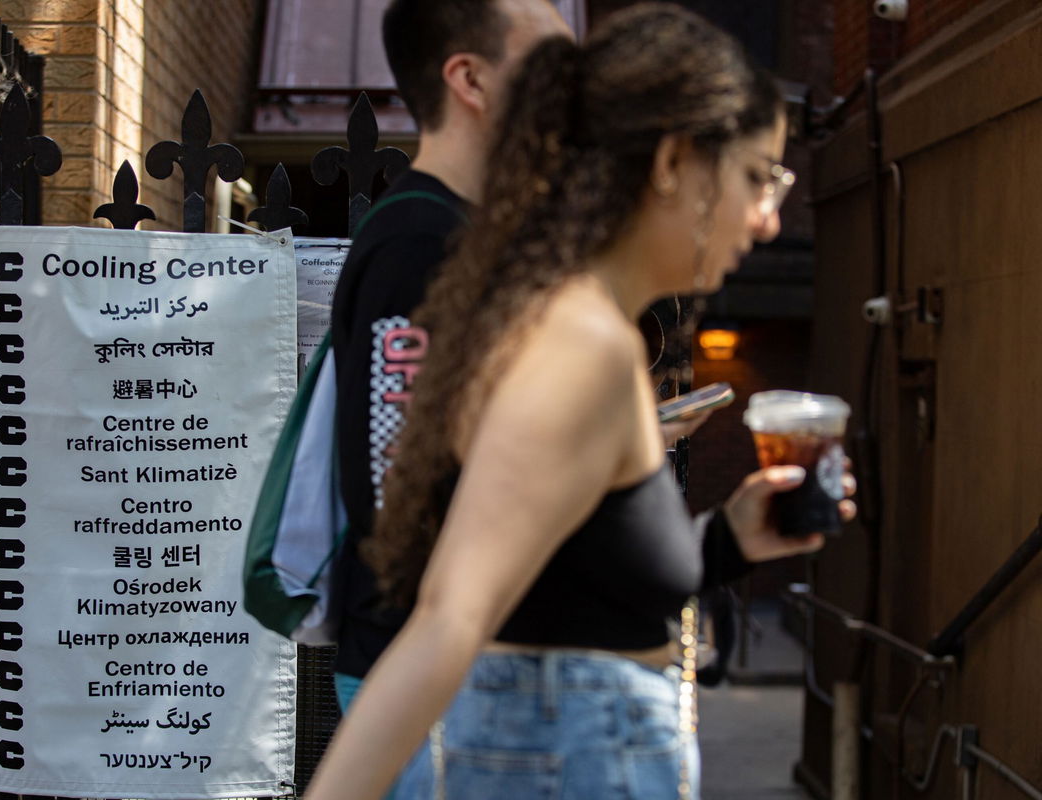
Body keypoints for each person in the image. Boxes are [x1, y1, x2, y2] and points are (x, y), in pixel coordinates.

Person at [308, 5, 856, 799]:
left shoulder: (586, 327)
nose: (770, 219)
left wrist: (732, 539)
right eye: (757, 176)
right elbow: (451, 616)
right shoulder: (581, 343)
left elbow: (560, 588)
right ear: (673, 163)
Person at [329, 0, 573, 711]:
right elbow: (395, 488)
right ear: (472, 80)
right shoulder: (419, 240)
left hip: (449, 663)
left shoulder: (456, 230)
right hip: (424, 675)